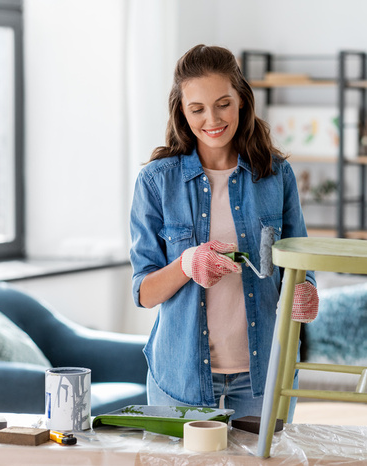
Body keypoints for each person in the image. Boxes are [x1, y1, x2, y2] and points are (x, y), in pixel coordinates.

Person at [129, 44, 319, 420]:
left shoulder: (275, 175)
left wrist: (307, 289)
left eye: (223, 103)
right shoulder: (155, 182)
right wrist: (187, 263)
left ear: (242, 102)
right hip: (180, 378)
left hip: (265, 374)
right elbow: (144, 293)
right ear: (182, 112)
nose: (212, 119)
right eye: (197, 108)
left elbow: (299, 262)